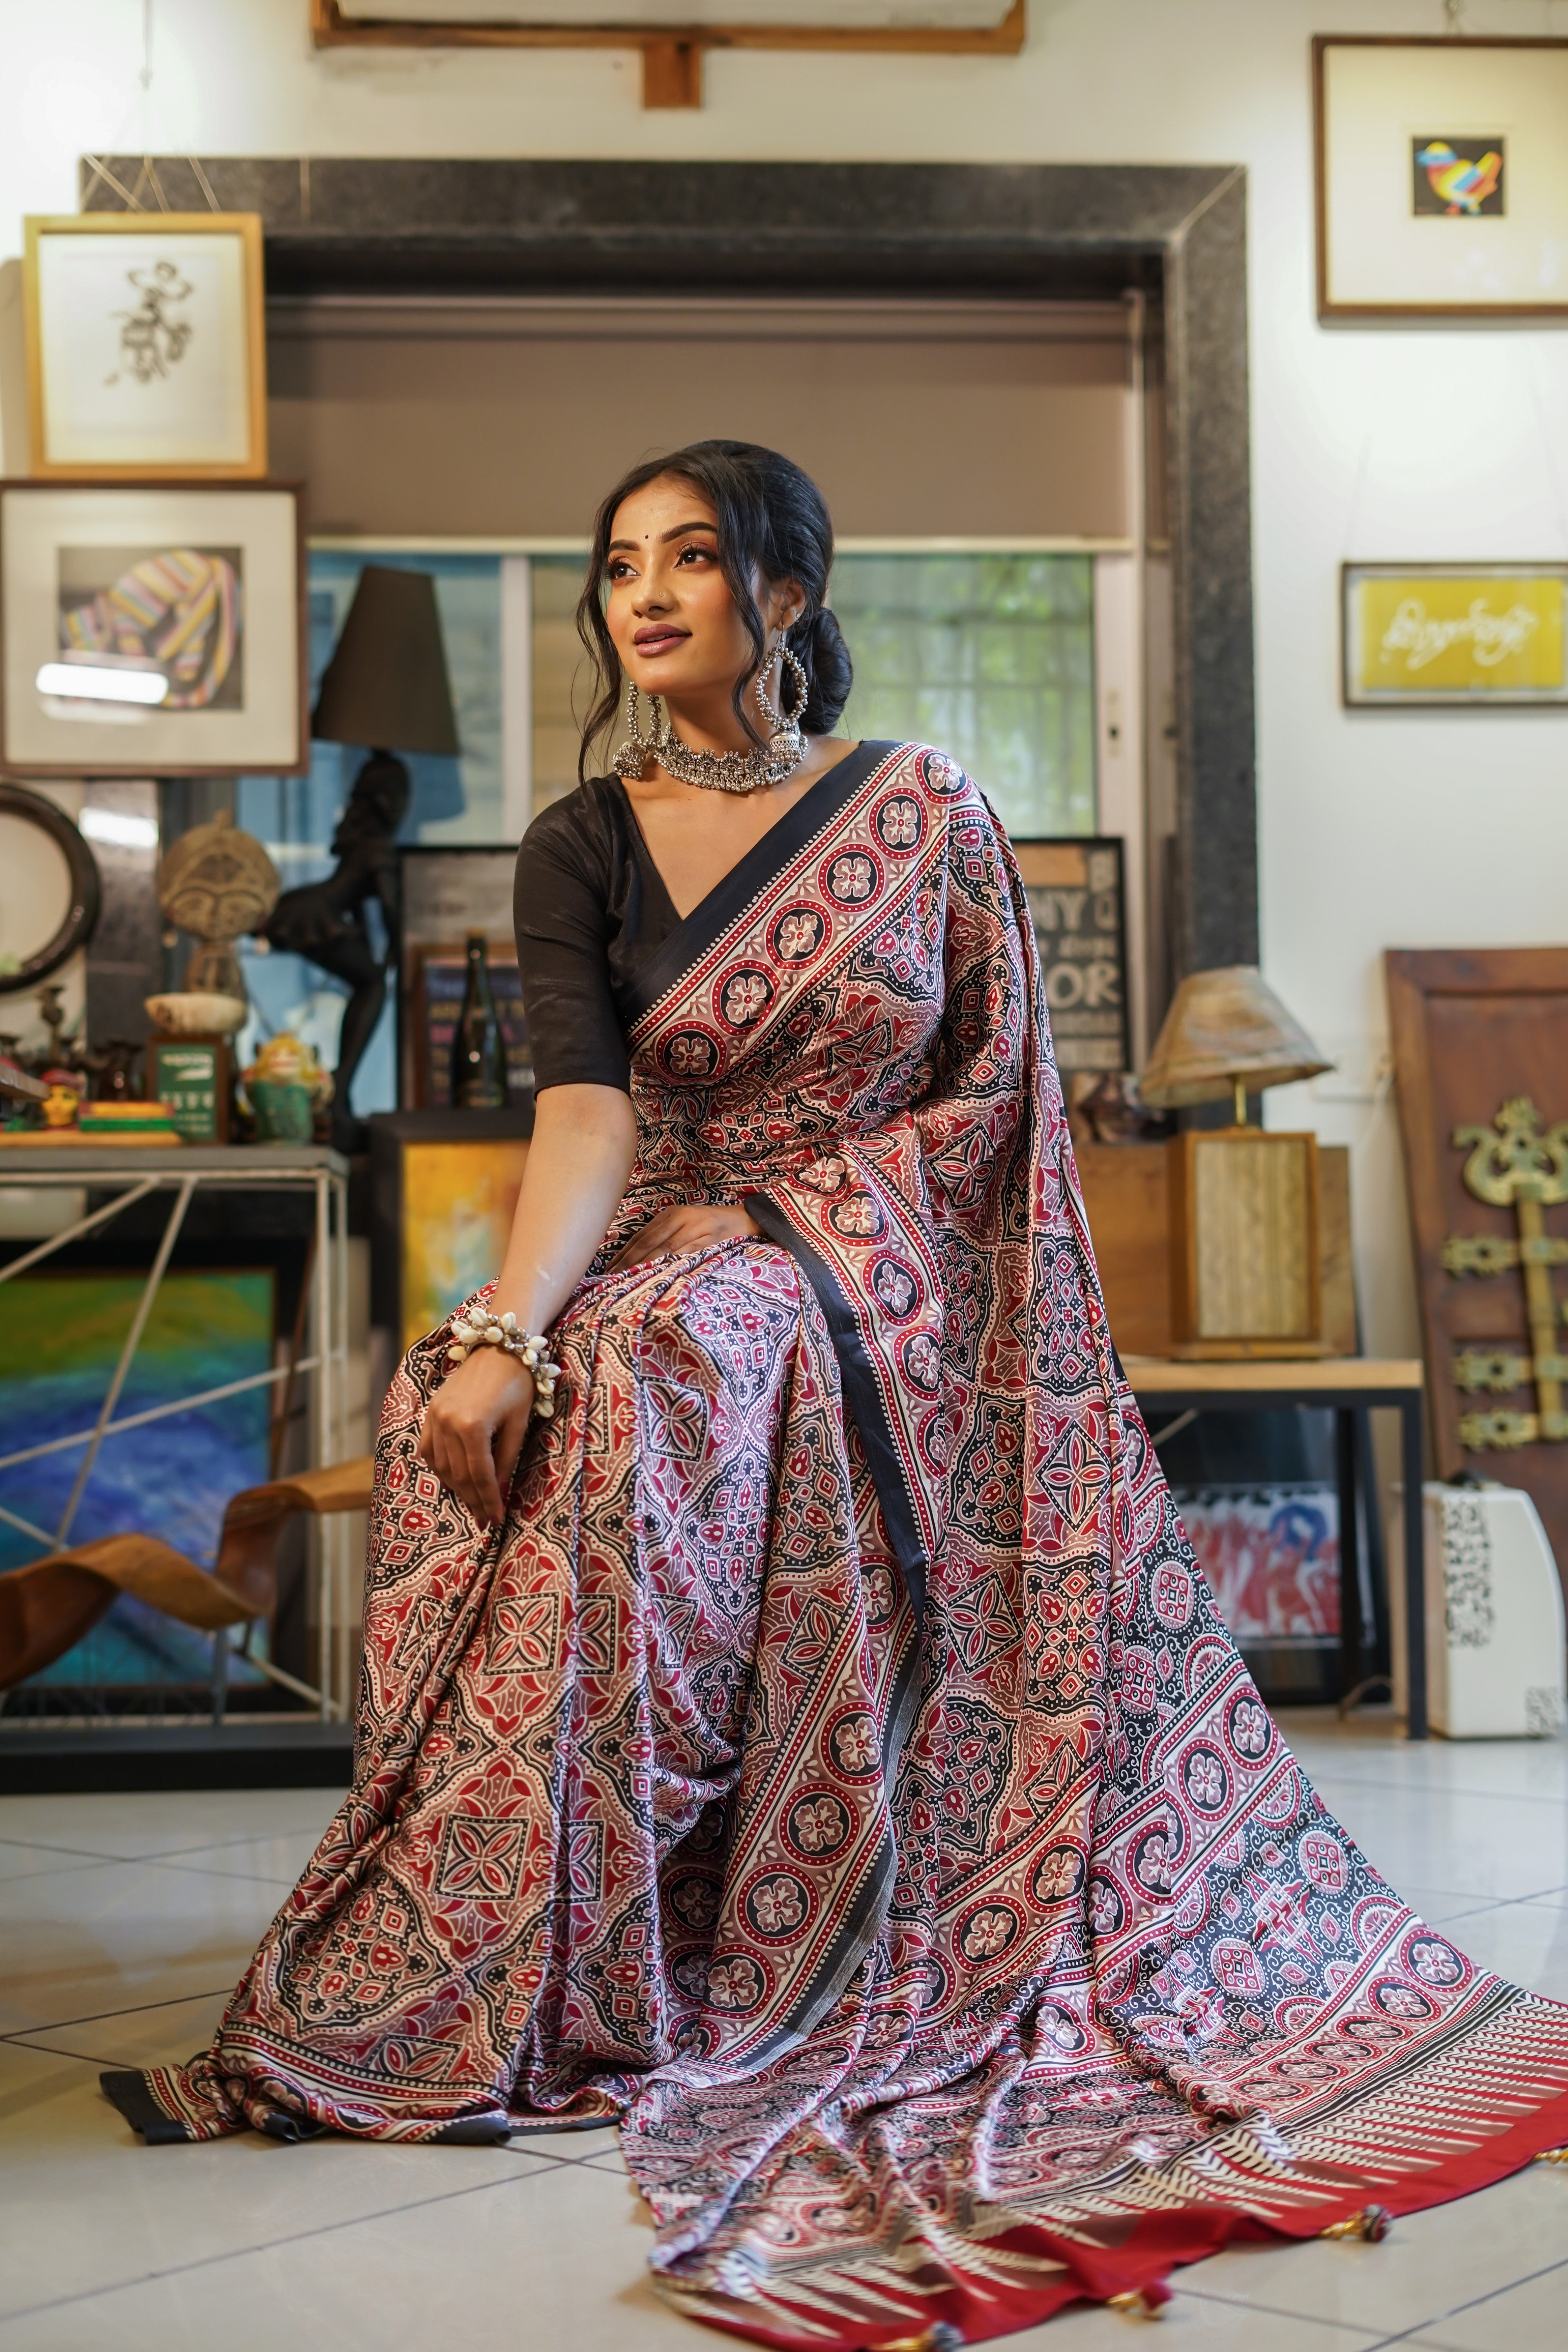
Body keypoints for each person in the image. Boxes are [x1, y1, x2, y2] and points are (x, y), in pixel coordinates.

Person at [105, 442, 1568, 2347]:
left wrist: (802, 1240)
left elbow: (992, 1107)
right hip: (663, 1234)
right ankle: (541, 1943)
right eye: (620, 561)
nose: (646, 593)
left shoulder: (925, 812)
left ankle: (711, 1926)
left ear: (784, 594)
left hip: (901, 1260)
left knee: (655, 1375)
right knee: (508, 1381)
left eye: (693, 558)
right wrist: (509, 1325)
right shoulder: (584, 839)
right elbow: (587, 1108)